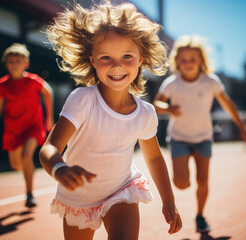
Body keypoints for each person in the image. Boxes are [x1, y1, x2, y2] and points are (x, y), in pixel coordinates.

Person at [39, 2, 182, 239]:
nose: (117, 65)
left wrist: (168, 199)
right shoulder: (83, 99)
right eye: (106, 57)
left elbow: (154, 156)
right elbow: (50, 147)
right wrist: (59, 168)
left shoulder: (145, 112)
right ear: (93, 60)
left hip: (121, 190)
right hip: (79, 198)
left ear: (141, 59)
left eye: (127, 55)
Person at [153, 35, 246, 233]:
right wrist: (169, 108)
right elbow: (156, 103)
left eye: (193, 59)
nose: (188, 63)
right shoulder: (172, 83)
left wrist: (242, 126)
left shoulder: (210, 82)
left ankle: (199, 215)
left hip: (203, 138)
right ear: (177, 62)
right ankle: (184, 175)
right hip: (179, 138)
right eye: (183, 60)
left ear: (201, 61)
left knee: (203, 180)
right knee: (181, 183)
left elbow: (227, 104)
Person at [0, 43, 54, 208]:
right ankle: (28, 170)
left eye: (18, 60)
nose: (15, 63)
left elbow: (48, 92)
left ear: (26, 63)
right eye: (11, 61)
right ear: (6, 64)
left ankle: (29, 195)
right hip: (13, 128)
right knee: (16, 164)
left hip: (33, 126)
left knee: (26, 157)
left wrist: (48, 119)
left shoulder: (33, 81)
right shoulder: (3, 84)